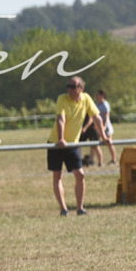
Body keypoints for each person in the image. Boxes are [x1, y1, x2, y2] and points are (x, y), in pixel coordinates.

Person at [47, 76, 108, 216]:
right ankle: (63, 209)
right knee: (57, 176)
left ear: (81, 88)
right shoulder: (62, 98)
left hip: (73, 144)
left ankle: (80, 208)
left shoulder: (86, 99)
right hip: (56, 143)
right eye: (68, 86)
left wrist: (104, 136)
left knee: (80, 175)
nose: (69, 88)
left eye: (73, 86)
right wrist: (61, 138)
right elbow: (61, 119)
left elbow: (97, 117)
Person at [94, 89, 117, 165]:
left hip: (106, 127)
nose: (97, 97)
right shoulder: (96, 104)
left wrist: (104, 126)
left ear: (102, 95)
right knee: (95, 143)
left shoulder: (105, 104)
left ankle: (114, 160)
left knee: (109, 143)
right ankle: (99, 161)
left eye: (98, 95)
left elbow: (106, 117)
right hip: (98, 127)